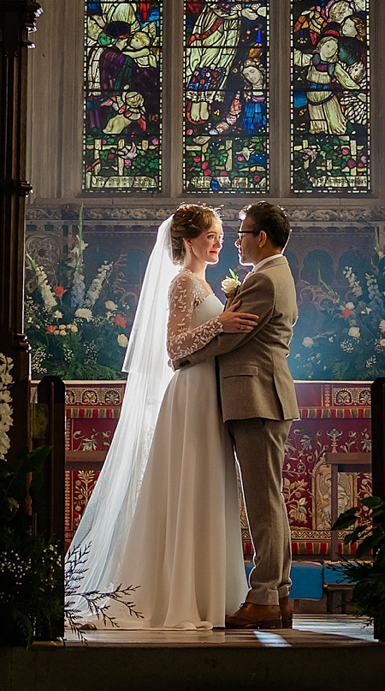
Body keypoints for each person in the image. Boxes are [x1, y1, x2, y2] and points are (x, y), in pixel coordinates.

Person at [64, 205, 260, 630]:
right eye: (211, 235)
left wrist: (223, 319)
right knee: (188, 486)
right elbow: (173, 347)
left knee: (209, 487)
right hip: (190, 393)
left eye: (221, 235)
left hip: (212, 393)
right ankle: (178, 597)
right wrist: (220, 323)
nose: (219, 242)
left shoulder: (206, 284)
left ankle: (212, 595)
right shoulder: (181, 283)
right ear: (188, 240)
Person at [176, 200, 299, 630]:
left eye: (243, 234)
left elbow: (232, 337)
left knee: (264, 502)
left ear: (261, 237)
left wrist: (184, 357)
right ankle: (278, 593)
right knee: (269, 499)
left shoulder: (265, 278)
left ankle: (264, 595)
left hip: (257, 395)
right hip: (258, 395)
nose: (237, 242)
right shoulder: (270, 274)